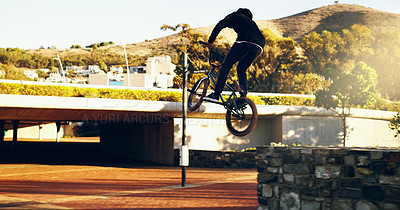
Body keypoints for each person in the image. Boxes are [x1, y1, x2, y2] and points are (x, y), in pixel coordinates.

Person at [203, 8, 265, 103]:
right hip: (259, 46)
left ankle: (216, 94)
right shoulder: (251, 24)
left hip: (245, 41)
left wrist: (210, 41)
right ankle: (243, 96)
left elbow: (220, 25)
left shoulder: (236, 15)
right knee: (241, 68)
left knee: (226, 65)